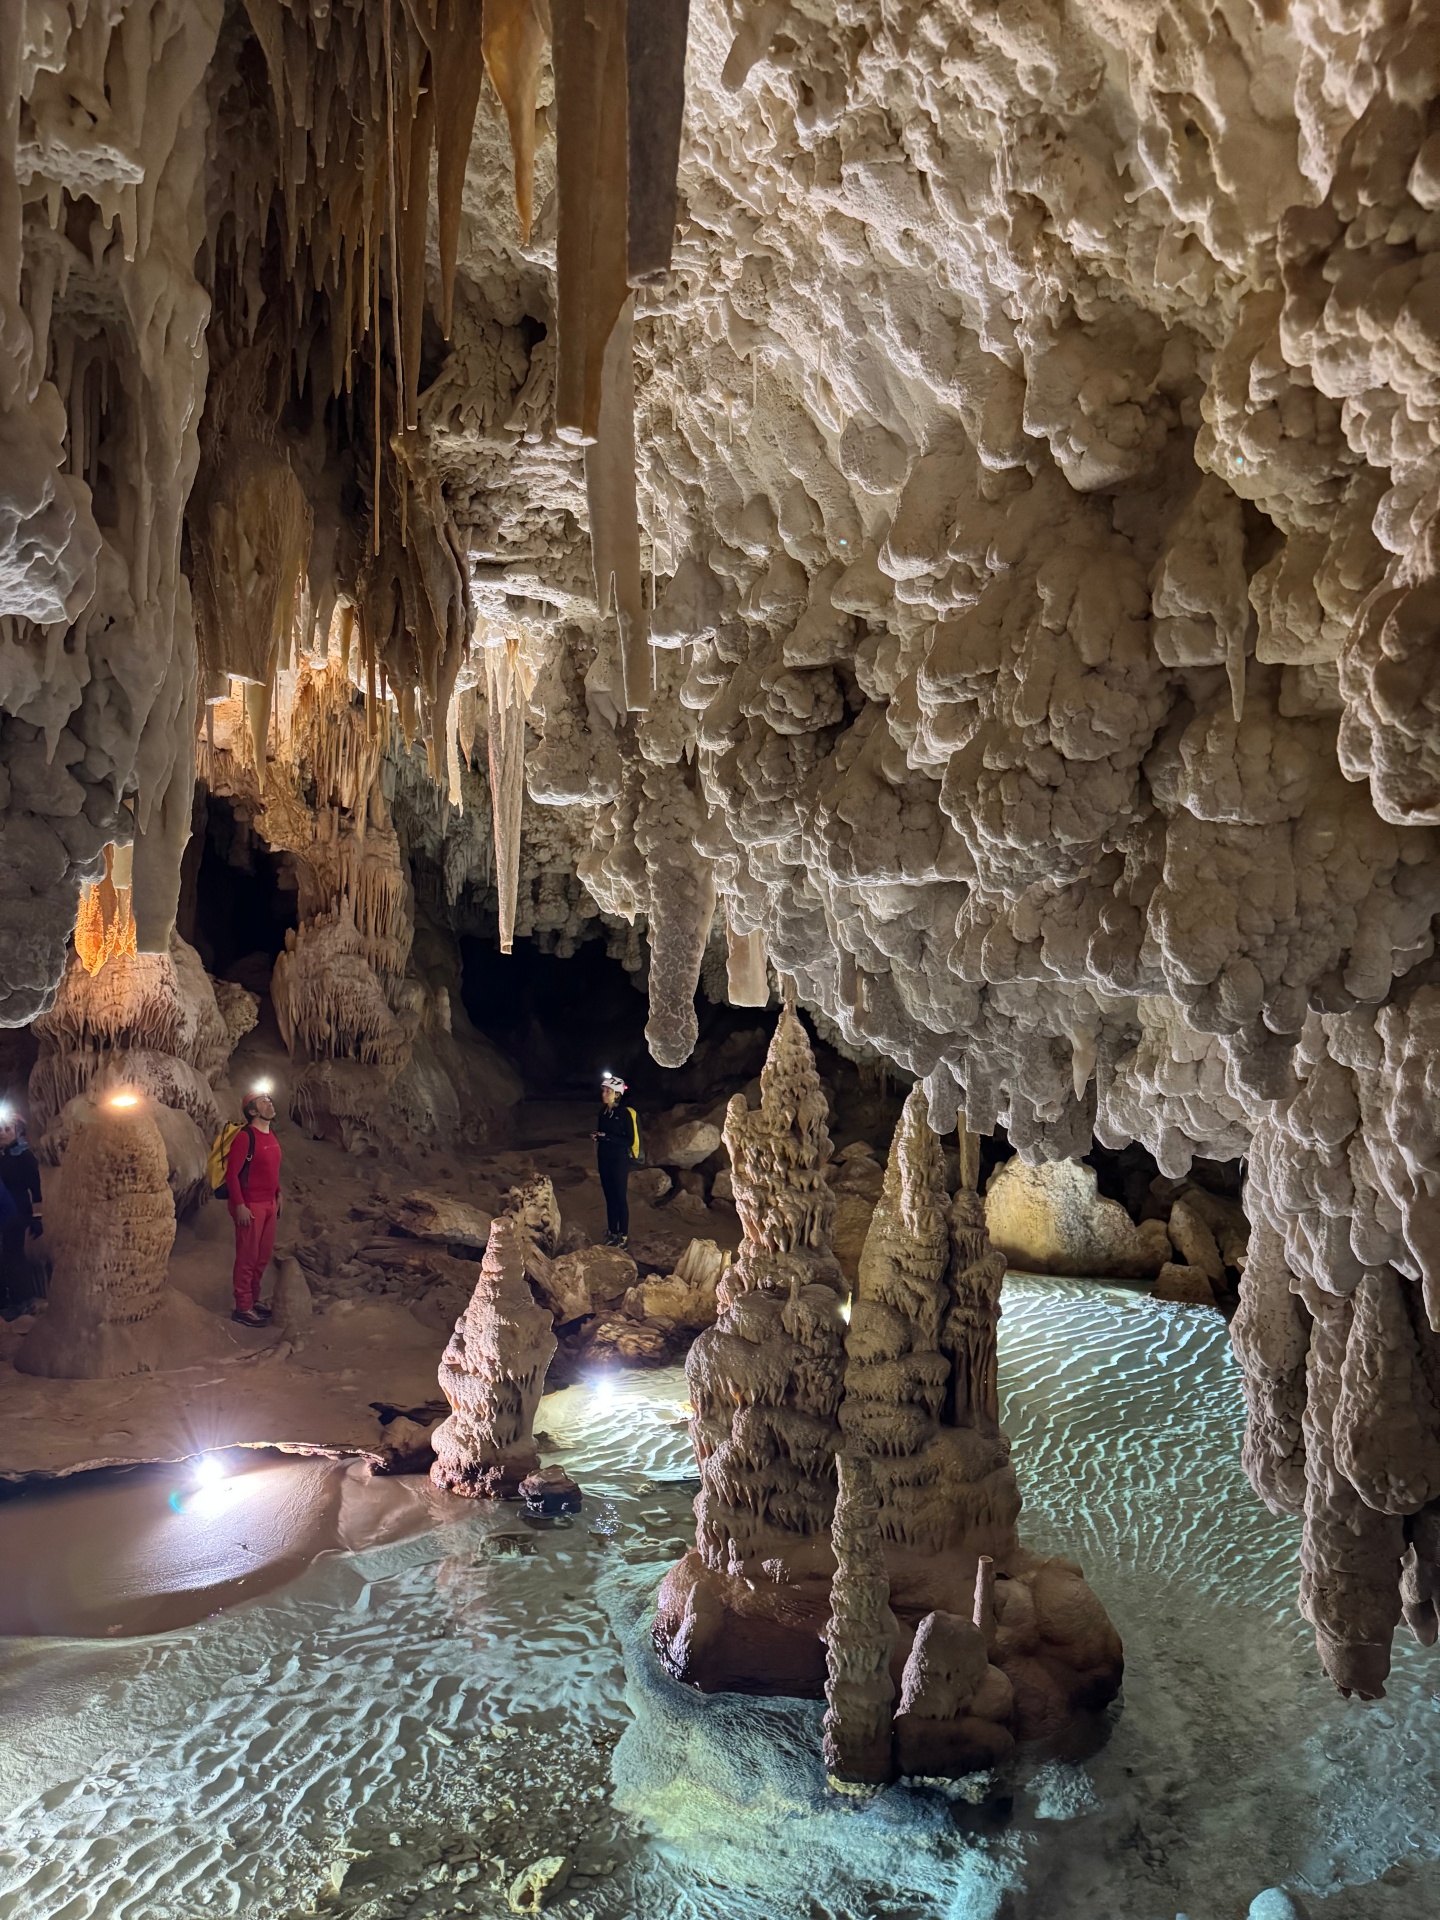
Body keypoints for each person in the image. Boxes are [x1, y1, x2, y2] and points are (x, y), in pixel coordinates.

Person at [226, 1090, 282, 1327]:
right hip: (250, 1205)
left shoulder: (271, 1135)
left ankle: (254, 1299)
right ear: (252, 1111)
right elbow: (232, 1175)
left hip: (269, 1204)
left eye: (269, 1100)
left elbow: (271, 1169)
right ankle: (243, 1307)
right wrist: (240, 1205)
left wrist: (278, 1192)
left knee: (262, 1257)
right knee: (248, 1257)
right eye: (263, 1101)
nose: (269, 1103)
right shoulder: (245, 1137)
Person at [592, 1071, 641, 1248]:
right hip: (604, 1158)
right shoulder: (603, 1112)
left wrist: (607, 1137)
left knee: (620, 1197)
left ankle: (624, 1236)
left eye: (608, 1091)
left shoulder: (625, 1113)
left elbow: (629, 1140)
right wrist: (598, 1136)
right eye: (604, 1090)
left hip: (619, 1160)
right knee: (609, 1197)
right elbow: (604, 1134)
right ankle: (612, 1232)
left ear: (617, 1094)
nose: (604, 1094)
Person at [0, 1113, 42, 1318]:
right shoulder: (3, 1156)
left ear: (18, 1131)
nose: (2, 1133)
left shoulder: (24, 1157)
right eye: (0, 1130)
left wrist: (37, 1217)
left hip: (18, 1213)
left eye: (7, 1129)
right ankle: (6, 1301)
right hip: (3, 1213)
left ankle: (23, 1301)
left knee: (13, 1256)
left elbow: (36, 1188)